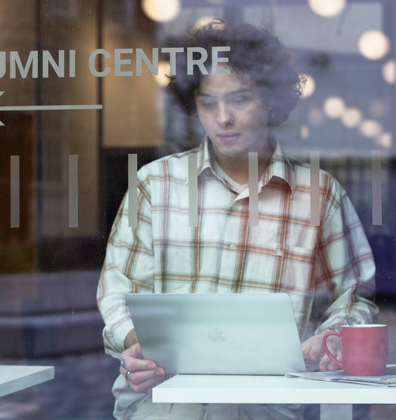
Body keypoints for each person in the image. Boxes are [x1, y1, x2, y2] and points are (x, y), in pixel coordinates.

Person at [97, 21, 378, 420]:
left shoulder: (320, 195)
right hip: (162, 401)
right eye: (208, 103)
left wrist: (330, 338)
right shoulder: (153, 186)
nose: (223, 118)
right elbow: (117, 290)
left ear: (270, 99)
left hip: (264, 404)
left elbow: (353, 296)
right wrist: (136, 344)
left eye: (240, 100)